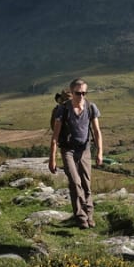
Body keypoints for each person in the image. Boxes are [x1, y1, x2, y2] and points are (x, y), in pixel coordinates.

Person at [48, 78, 103, 229]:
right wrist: (52, 159)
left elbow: (97, 131)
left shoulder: (91, 107)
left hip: (84, 149)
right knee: (75, 182)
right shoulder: (63, 109)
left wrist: (100, 152)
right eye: (78, 93)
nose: (82, 96)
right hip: (68, 150)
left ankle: (88, 216)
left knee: (86, 183)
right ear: (72, 93)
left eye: (84, 93)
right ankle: (81, 216)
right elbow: (55, 136)